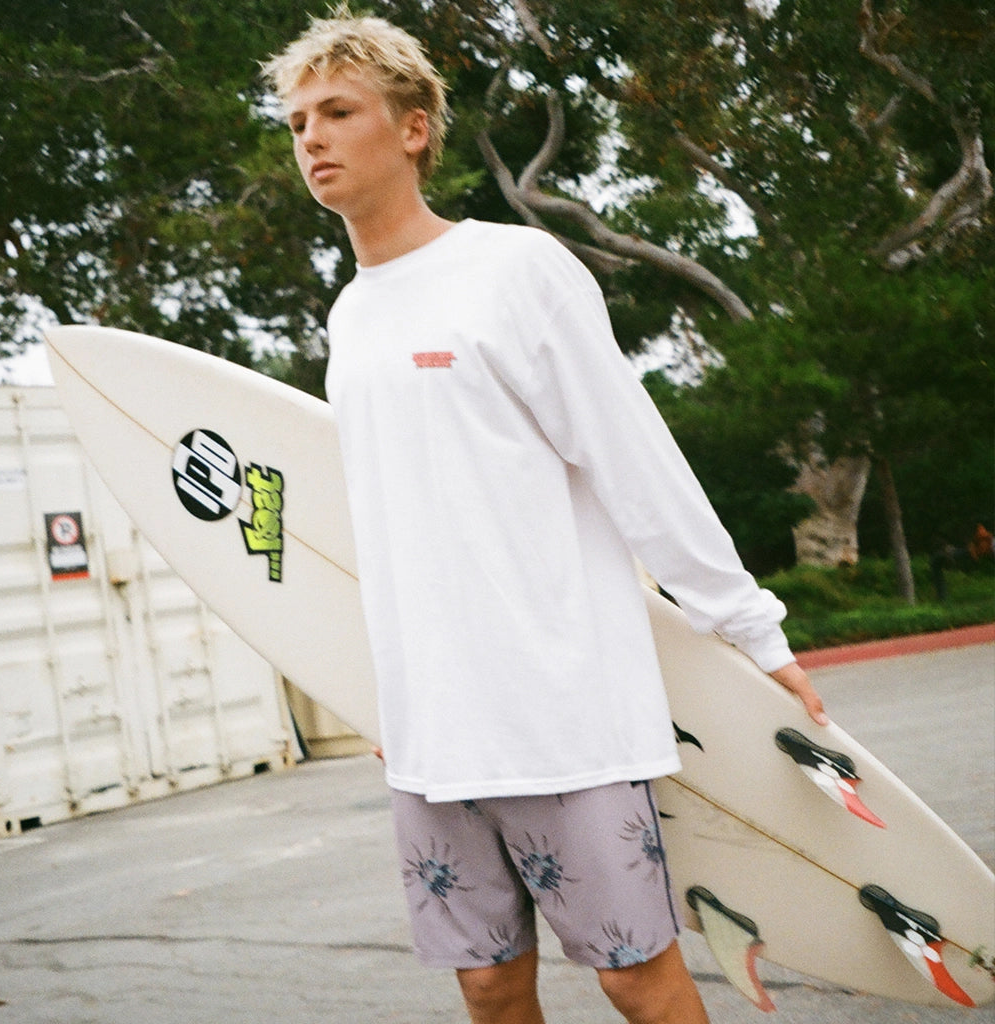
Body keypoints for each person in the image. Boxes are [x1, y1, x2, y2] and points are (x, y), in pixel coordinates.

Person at [263, 14, 827, 1024]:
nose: (311, 138)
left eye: (338, 112)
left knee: (635, 978)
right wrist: (386, 692)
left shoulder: (514, 269)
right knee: (486, 984)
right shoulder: (351, 315)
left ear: (414, 128)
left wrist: (749, 628)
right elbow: (381, 526)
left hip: (559, 709)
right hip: (435, 723)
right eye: (298, 121)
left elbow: (634, 461)